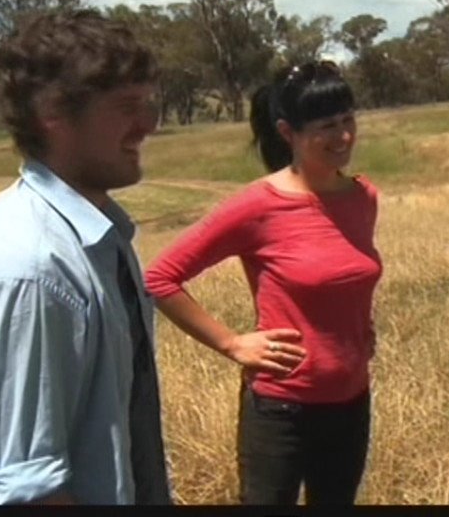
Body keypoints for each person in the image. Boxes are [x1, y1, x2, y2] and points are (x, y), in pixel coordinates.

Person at [0, 10, 172, 504]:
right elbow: (29, 493)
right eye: (127, 107)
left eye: (148, 104)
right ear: (52, 111)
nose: (148, 124)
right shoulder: (29, 272)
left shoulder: (100, 239)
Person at [144, 60, 383, 505]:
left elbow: (350, 276)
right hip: (282, 407)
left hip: (352, 400)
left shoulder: (362, 197)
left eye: (348, 120)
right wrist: (232, 343)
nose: (343, 136)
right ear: (287, 132)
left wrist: (359, 329)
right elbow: (160, 278)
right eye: (326, 126)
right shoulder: (257, 206)